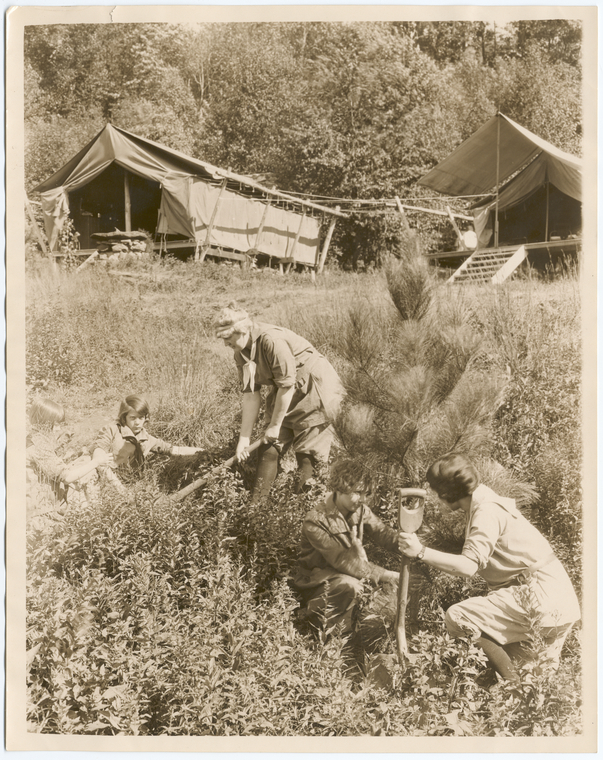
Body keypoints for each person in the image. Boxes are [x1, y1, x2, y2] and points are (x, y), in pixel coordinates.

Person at [398, 453, 581, 682]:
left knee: (459, 615)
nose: (437, 499)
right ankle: (516, 693)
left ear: (446, 494)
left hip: (541, 597)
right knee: (536, 682)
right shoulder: (485, 503)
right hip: (558, 600)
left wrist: (421, 551)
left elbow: (467, 567)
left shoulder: (486, 511)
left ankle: (510, 688)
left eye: (437, 493)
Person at [215, 303, 344, 500]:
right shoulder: (240, 352)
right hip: (285, 391)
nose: (225, 343)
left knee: (307, 456)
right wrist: (243, 440)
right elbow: (251, 394)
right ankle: (256, 512)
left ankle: (302, 514)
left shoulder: (271, 340)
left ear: (242, 330)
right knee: (268, 449)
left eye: (227, 337)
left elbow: (287, 386)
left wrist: (275, 426)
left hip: (314, 390)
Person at [293, 458, 400, 634]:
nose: (363, 499)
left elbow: (383, 534)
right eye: (358, 492)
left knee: (359, 586)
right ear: (339, 488)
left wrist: (414, 546)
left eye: (367, 493)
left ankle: (352, 630)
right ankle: (316, 624)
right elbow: (344, 561)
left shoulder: (359, 510)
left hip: (347, 577)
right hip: (316, 584)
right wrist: (388, 575)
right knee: (350, 585)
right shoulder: (316, 520)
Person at [27, 398, 114, 523]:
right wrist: (96, 462)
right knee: (87, 472)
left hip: (39, 503)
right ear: (44, 422)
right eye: (55, 424)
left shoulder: (33, 438)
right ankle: (93, 521)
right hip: (40, 511)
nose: (58, 429)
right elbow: (67, 477)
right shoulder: (39, 444)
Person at [93, 394, 203, 493]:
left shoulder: (147, 439)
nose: (137, 422)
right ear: (124, 417)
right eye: (132, 418)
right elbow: (98, 457)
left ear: (146, 417)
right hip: (101, 478)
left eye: (141, 417)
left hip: (128, 484)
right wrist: (121, 489)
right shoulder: (112, 430)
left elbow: (175, 450)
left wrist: (204, 451)